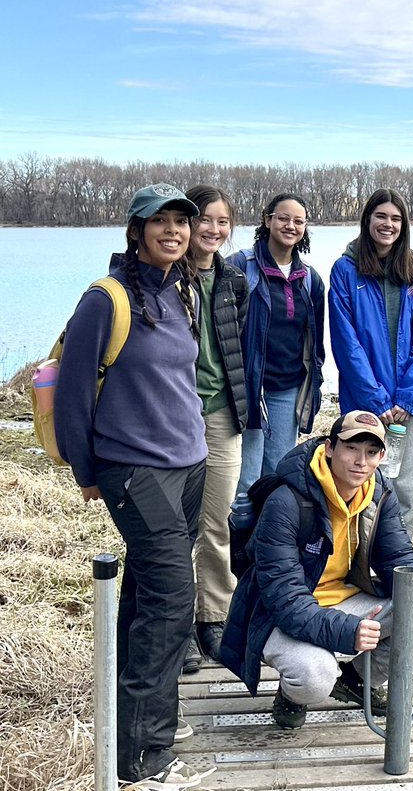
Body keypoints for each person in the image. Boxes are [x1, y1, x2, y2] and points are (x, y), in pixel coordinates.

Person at [56, 183, 210, 789]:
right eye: (160, 222)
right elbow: (72, 393)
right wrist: (85, 469)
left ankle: (136, 727)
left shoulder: (182, 291)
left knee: (148, 596)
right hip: (134, 470)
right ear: (136, 229)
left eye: (181, 222)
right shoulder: (106, 299)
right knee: (173, 603)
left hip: (189, 465)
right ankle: (146, 758)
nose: (173, 231)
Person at [220, 410, 413, 730]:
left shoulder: (377, 493)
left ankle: (356, 680)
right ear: (330, 448)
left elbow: (399, 556)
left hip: (342, 599)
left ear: (381, 456)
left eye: (371, 452)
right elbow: (285, 599)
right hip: (274, 614)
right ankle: (293, 695)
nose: (361, 461)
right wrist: (348, 632)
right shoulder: (287, 500)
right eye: (351, 448)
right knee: (315, 676)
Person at [329, 188, 413, 532]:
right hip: (366, 401)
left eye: (396, 218)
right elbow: (346, 343)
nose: (388, 224)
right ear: (367, 220)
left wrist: (407, 397)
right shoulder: (346, 270)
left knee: (405, 488)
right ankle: (357, 562)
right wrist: (376, 399)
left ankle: (399, 563)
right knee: (361, 484)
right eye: (381, 216)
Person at [185, 185, 250, 664]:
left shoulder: (234, 281)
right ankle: (176, 621)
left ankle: (212, 615)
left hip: (222, 413)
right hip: (174, 415)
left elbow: (236, 351)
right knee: (174, 526)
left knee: (218, 519)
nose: (213, 229)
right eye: (204, 219)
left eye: (222, 222)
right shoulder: (165, 277)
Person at [232, 192, 326, 494]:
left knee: (277, 473)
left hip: (288, 389)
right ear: (267, 219)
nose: (290, 225)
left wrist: (315, 384)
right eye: (283, 218)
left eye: (298, 221)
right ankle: (236, 539)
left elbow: (315, 343)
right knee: (244, 477)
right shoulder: (240, 266)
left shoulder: (310, 279)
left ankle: (268, 537)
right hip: (249, 387)